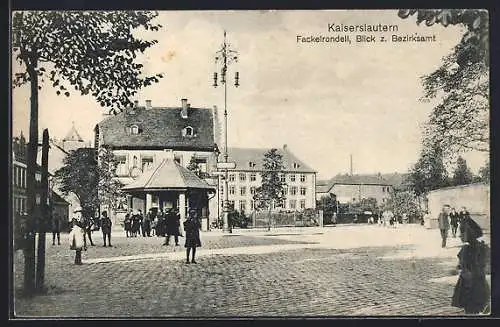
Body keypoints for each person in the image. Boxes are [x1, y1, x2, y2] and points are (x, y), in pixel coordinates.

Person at [451, 215, 490, 314]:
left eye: (462, 232)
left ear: (468, 233)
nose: (460, 235)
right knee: (479, 308)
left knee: (470, 309)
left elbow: (462, 265)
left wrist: (457, 269)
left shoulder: (466, 249)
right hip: (480, 283)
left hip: (468, 284)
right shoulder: (482, 246)